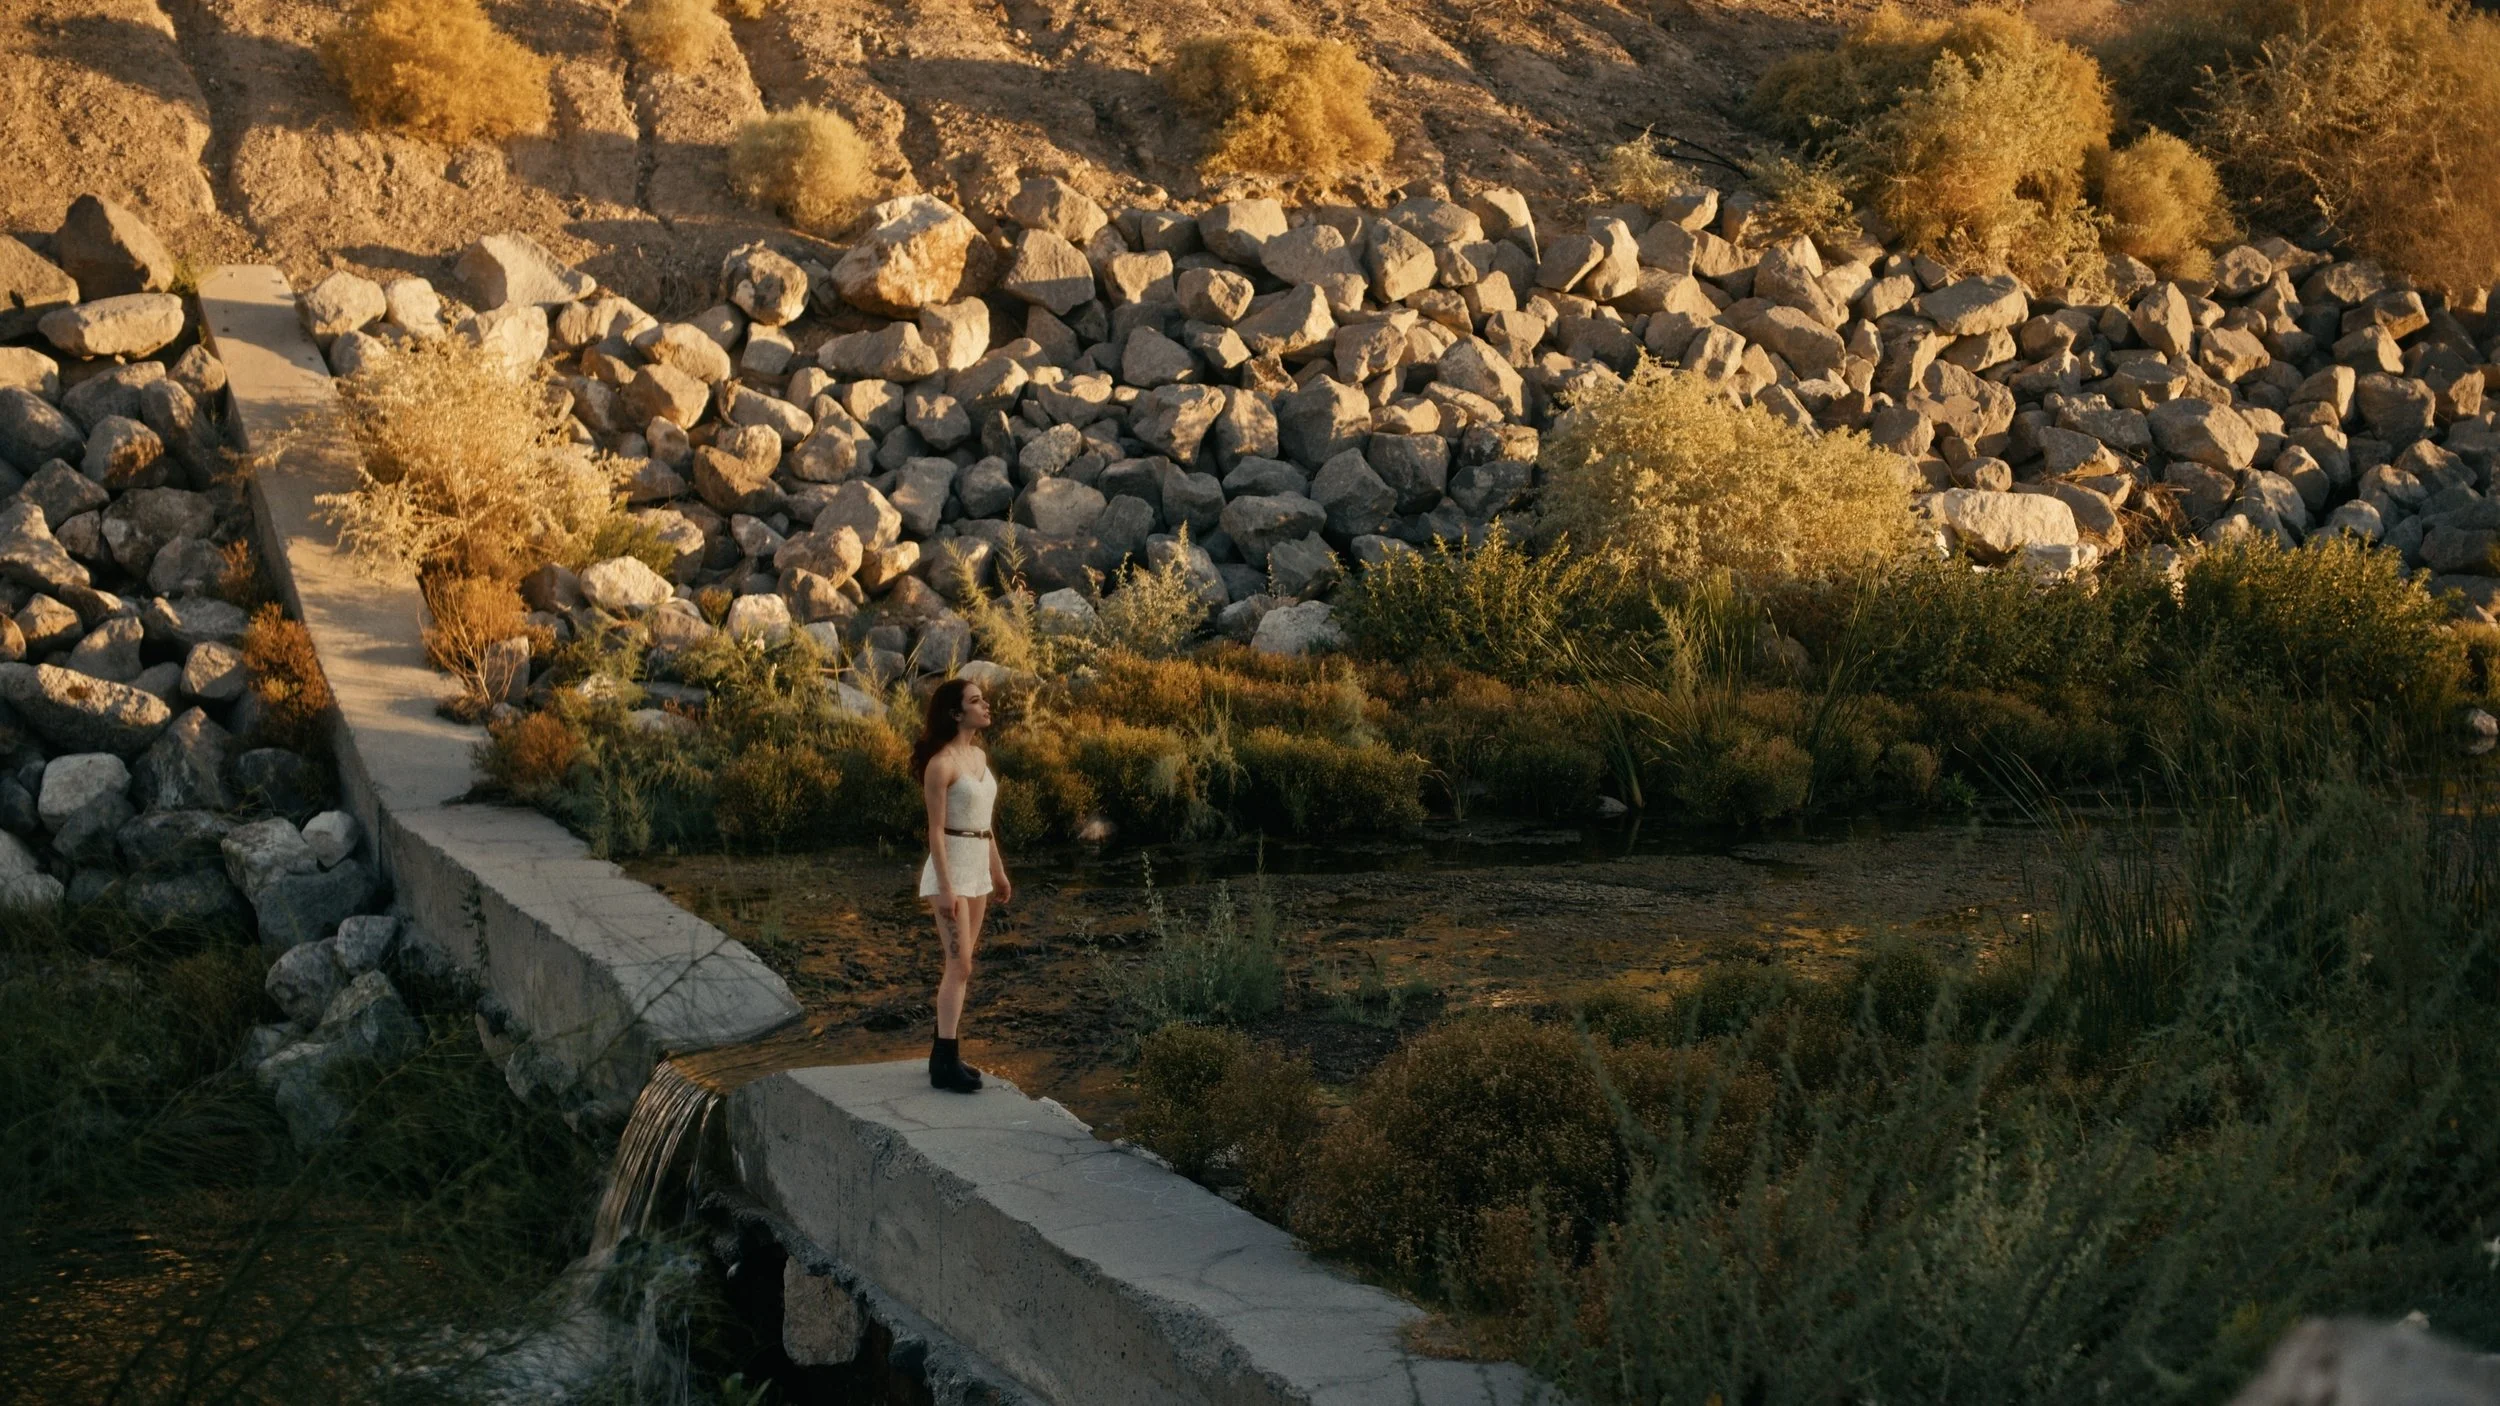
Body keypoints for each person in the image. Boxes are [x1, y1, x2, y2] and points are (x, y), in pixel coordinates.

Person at [911, 678, 1010, 1093]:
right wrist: (947, 888)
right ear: (956, 713)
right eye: (975, 701)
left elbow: (983, 826)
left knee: (964, 964)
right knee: (960, 965)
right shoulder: (942, 764)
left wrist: (999, 872)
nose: (985, 706)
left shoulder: (979, 757)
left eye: (983, 699)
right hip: (948, 872)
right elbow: (935, 832)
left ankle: (943, 1051)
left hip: (978, 871)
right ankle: (944, 1064)